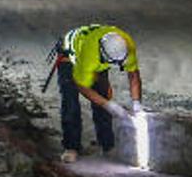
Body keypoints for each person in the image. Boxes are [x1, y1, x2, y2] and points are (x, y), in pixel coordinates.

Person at [54, 23, 142, 163]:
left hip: (95, 55)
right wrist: (108, 105)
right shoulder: (90, 57)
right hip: (69, 57)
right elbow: (82, 86)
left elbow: (133, 75)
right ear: (102, 54)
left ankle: (107, 144)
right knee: (70, 102)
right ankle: (71, 147)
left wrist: (137, 102)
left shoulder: (126, 45)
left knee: (103, 94)